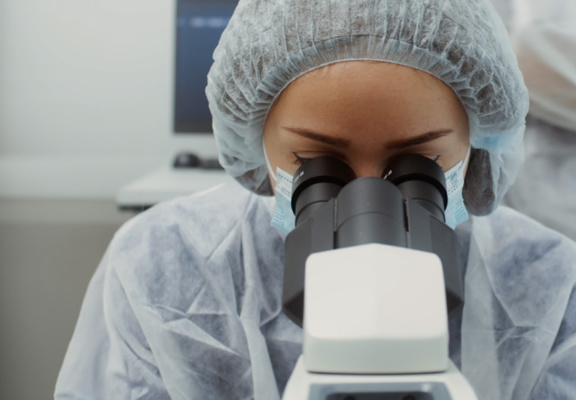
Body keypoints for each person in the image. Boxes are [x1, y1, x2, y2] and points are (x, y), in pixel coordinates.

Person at [54, 0, 576, 399]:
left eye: (418, 166)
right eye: (317, 169)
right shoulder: (161, 267)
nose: (368, 204)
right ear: (255, 142)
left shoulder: (548, 283)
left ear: (478, 146)